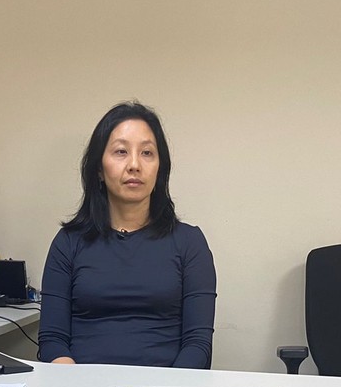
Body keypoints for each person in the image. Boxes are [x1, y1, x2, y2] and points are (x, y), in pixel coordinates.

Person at [38, 102, 216, 368]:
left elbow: (198, 344)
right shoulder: (68, 242)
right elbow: (52, 339)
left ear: (160, 168)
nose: (134, 165)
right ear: (98, 168)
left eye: (147, 153)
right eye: (121, 151)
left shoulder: (189, 243)